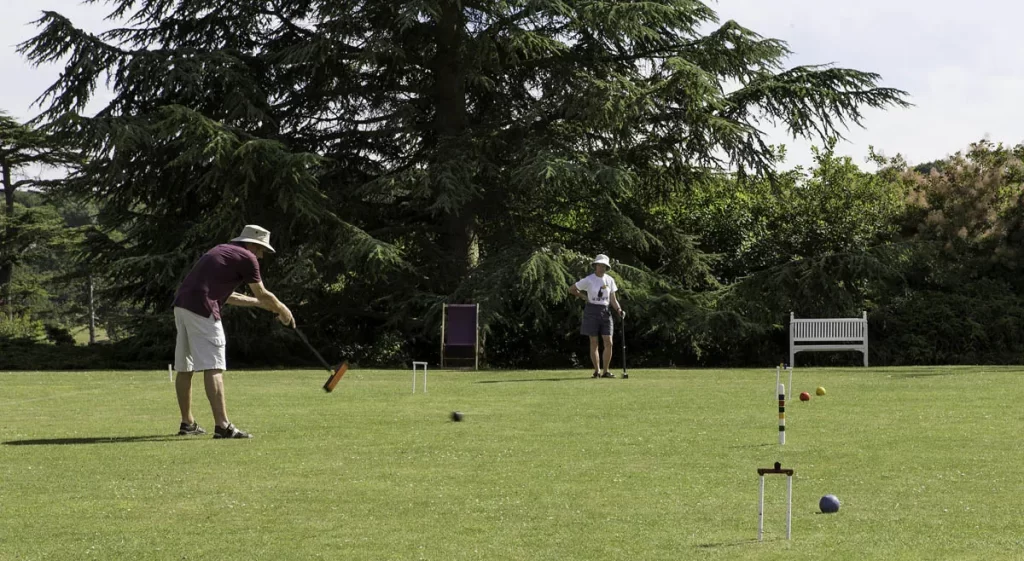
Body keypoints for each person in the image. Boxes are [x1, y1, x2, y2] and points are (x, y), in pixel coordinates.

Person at [172, 225, 295, 439]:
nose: (262, 255)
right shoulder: (247, 257)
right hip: (203, 308)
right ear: (253, 244)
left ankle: (188, 423)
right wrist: (282, 310)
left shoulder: (222, 251)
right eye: (262, 249)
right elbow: (263, 292)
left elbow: (229, 296)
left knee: (185, 367)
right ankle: (223, 426)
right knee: (214, 366)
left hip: (182, 306)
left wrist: (261, 304)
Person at [569, 254, 624, 378]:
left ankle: (606, 371)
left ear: (606, 267)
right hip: (591, 310)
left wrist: (619, 309)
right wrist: (584, 297)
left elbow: (613, 299)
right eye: (600, 265)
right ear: (595, 266)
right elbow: (572, 289)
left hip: (605, 311)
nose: (602, 268)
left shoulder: (610, 280)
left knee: (608, 341)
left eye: (604, 266)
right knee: (594, 342)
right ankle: (596, 371)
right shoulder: (589, 279)